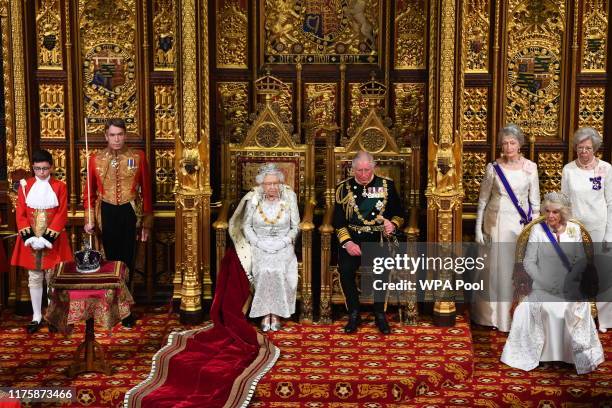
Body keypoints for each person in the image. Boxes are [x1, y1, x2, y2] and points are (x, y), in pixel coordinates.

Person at [500, 192, 604, 374]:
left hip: (569, 285)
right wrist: (544, 280)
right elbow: (528, 262)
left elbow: (581, 260)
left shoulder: (574, 230)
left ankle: (569, 356)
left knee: (570, 309)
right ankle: (544, 355)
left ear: (563, 213)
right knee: (546, 309)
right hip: (542, 285)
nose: (550, 216)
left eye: (555, 212)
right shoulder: (537, 230)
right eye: (547, 211)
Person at [83, 118, 152, 327]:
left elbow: (147, 192)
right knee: (109, 261)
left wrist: (147, 224)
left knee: (127, 260)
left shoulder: (137, 157)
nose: (116, 139)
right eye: (112, 135)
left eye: (120, 134)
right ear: (106, 136)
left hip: (130, 212)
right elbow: (89, 193)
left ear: (126, 135)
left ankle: (126, 310)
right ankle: (110, 307)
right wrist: (89, 219)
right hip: (106, 211)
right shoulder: (95, 159)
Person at [473, 124, 540, 332]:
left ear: (520, 145)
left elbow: (535, 203)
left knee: (517, 270)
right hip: (495, 224)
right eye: (505, 143)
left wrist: (533, 232)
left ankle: (515, 317)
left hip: (520, 226)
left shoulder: (531, 167)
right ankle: (492, 317)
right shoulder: (493, 168)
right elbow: (482, 200)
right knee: (494, 270)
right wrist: (477, 229)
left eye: (512, 143)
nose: (508, 147)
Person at [333, 151, 404, 334]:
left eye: (367, 170)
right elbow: (339, 221)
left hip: (378, 240)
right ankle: (354, 313)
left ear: (373, 168)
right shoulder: (343, 188)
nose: (363, 175)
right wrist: (347, 243)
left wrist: (393, 224)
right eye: (359, 171)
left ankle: (380, 313)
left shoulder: (387, 185)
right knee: (346, 270)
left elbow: (399, 213)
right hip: (353, 240)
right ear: (353, 169)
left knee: (382, 269)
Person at [228, 163, 300, 331]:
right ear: (262, 185)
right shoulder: (254, 199)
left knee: (277, 268)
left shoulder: (289, 197)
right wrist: (258, 243)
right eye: (268, 184)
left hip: (283, 244)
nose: (273, 187)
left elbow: (295, 227)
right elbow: (246, 226)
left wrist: (283, 242)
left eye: (276, 183)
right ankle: (264, 312)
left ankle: (275, 313)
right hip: (259, 243)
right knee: (264, 268)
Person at [11, 149, 73, 333]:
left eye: (45, 168)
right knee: (34, 278)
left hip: (53, 242)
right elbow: (20, 214)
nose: (41, 173)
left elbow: (62, 215)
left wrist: (46, 239)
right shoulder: (25, 186)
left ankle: (52, 316)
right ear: (33, 168)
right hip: (31, 242)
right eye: (38, 169)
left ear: (51, 167)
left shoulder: (60, 186)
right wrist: (30, 237)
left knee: (52, 278)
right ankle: (36, 316)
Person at [561, 127, 612, 333]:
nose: (584, 152)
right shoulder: (568, 170)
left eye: (588, 148)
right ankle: (578, 319)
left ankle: (606, 320)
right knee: (576, 272)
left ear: (595, 149)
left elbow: (611, 203)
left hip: (600, 227)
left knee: (604, 272)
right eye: (580, 148)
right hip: (575, 228)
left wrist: (610, 234)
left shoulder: (606, 169)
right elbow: (564, 203)